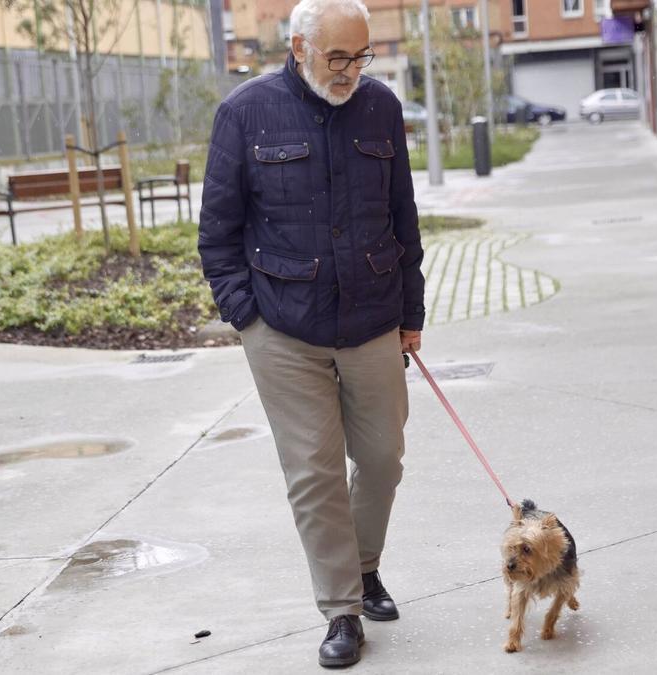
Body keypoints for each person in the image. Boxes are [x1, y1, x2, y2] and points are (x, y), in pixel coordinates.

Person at [197, 0, 425, 667]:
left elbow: (403, 218)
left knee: (383, 459)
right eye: (337, 56)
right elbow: (218, 232)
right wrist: (248, 318)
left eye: (362, 56)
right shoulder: (244, 113)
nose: (352, 69)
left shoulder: (381, 107)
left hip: (374, 318)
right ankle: (342, 610)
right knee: (314, 472)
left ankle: (364, 563)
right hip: (284, 330)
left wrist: (412, 315)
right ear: (299, 46)